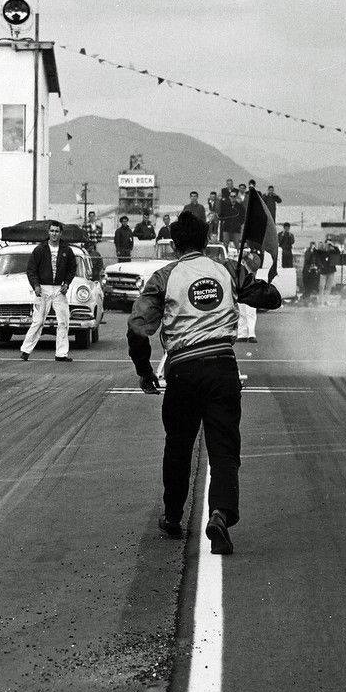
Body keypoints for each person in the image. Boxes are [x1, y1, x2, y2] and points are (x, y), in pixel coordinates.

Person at [127, 210, 281, 555]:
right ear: (205, 240)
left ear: (175, 244)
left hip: (182, 371)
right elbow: (272, 299)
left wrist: (144, 371)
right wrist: (253, 277)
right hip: (222, 368)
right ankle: (220, 514)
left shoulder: (163, 276)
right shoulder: (227, 270)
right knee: (224, 449)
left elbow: (138, 327)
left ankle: (172, 516)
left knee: (178, 447)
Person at [20, 220, 77, 362]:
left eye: (57, 231)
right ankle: (26, 350)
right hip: (43, 289)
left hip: (59, 290)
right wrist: (36, 285)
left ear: (60, 233)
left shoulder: (66, 250)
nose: (54, 234)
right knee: (38, 321)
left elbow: (72, 269)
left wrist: (67, 283)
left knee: (63, 321)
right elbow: (31, 270)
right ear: (48, 232)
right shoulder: (40, 249)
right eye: (52, 231)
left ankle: (61, 353)